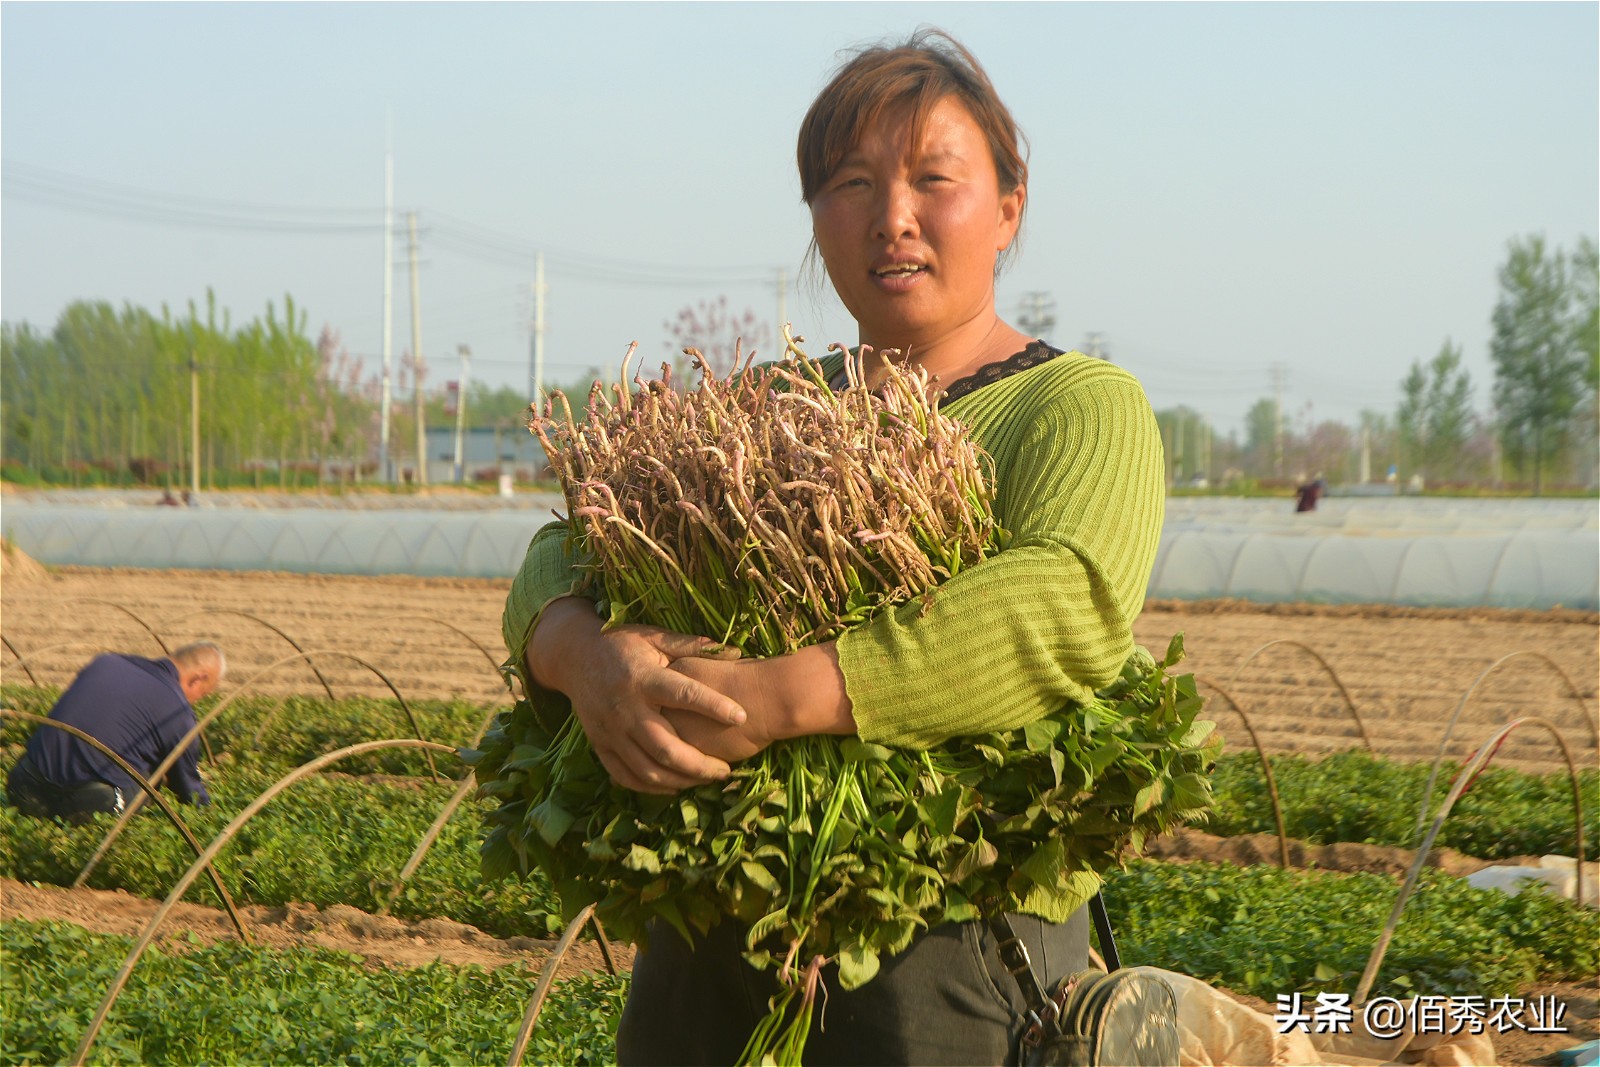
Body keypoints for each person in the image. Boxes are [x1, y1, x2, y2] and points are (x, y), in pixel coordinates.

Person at [502, 29, 1165, 1065]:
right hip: (713, 929)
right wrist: (584, 654)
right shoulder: (763, 407)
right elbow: (570, 541)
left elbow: (1061, 603)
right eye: (850, 182)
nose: (890, 216)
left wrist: (764, 699)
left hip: (951, 956)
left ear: (1008, 205)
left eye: (932, 179)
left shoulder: (1073, 405)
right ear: (815, 214)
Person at [6, 642, 224, 824]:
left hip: (25, 785)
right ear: (198, 678)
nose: (194, 702)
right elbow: (188, 790)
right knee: (151, 777)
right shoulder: (177, 710)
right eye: (202, 694)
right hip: (89, 806)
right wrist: (208, 819)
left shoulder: (106, 662)